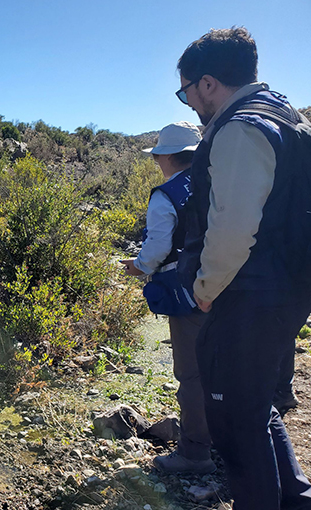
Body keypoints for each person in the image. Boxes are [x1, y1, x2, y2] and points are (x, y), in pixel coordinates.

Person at [176, 27, 311, 509]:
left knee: (234, 425)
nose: (188, 101)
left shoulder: (240, 128)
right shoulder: (287, 117)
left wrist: (207, 288)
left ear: (208, 83)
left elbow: (233, 226)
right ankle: (296, 499)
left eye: (187, 89)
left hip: (249, 296)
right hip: (287, 289)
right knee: (255, 407)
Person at [121, 121, 215, 475]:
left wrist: (138, 266)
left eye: (158, 156)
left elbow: (158, 248)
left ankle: (194, 453)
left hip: (189, 293)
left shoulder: (166, 195)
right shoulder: (216, 181)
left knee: (192, 374)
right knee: (224, 365)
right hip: (229, 286)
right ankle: (227, 436)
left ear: (166, 157)